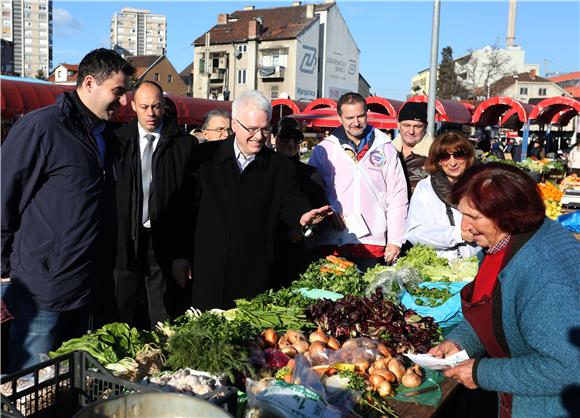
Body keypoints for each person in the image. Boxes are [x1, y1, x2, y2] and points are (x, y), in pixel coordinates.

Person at [1, 48, 135, 372]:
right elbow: (4, 196)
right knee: (30, 387)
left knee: (71, 387)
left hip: (89, 291)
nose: (124, 102)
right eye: (118, 92)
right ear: (89, 83)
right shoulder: (42, 128)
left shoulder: (108, 138)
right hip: (42, 293)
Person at [428, 163, 580, 418]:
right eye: (462, 214)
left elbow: (568, 368)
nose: (464, 228)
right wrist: (459, 341)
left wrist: (481, 373)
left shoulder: (546, 276)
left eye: (474, 217)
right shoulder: (500, 244)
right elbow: (494, 311)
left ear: (508, 214)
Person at [183, 90, 332, 310]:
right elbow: (184, 209)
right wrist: (179, 256)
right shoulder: (204, 158)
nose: (259, 136)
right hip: (208, 270)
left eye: (265, 129)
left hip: (254, 274)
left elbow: (292, 202)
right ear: (234, 124)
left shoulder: (280, 167)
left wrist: (303, 217)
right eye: (252, 129)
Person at [113, 81, 198, 328]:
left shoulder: (182, 144)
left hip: (165, 240)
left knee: (162, 314)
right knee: (123, 311)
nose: (151, 113)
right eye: (145, 106)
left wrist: (183, 253)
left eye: (157, 106)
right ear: (133, 107)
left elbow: (189, 203)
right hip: (126, 240)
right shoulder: (118, 142)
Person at [308, 92, 408, 270]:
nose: (356, 122)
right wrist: (328, 211)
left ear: (367, 113)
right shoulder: (324, 150)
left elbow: (397, 196)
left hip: (373, 242)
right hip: (334, 240)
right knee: (334, 296)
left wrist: (395, 240)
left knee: (370, 296)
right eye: (349, 117)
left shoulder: (385, 147)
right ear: (340, 117)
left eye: (360, 116)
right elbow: (312, 190)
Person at [269, 117, 328, 287]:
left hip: (299, 251)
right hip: (267, 248)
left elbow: (319, 214)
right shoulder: (261, 167)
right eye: (286, 137)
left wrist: (304, 231)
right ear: (274, 137)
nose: (292, 143)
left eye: (297, 138)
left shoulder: (310, 174)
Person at [405, 131, 480, 260]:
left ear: (467, 157)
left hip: (479, 262)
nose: (452, 163)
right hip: (441, 266)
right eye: (445, 157)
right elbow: (414, 233)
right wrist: (458, 234)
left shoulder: (483, 184)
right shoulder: (425, 188)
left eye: (458, 155)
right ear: (438, 161)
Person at [392, 102, 434, 196]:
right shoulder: (386, 152)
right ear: (398, 125)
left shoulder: (437, 155)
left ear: (426, 126)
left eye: (417, 126)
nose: (411, 131)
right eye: (406, 125)